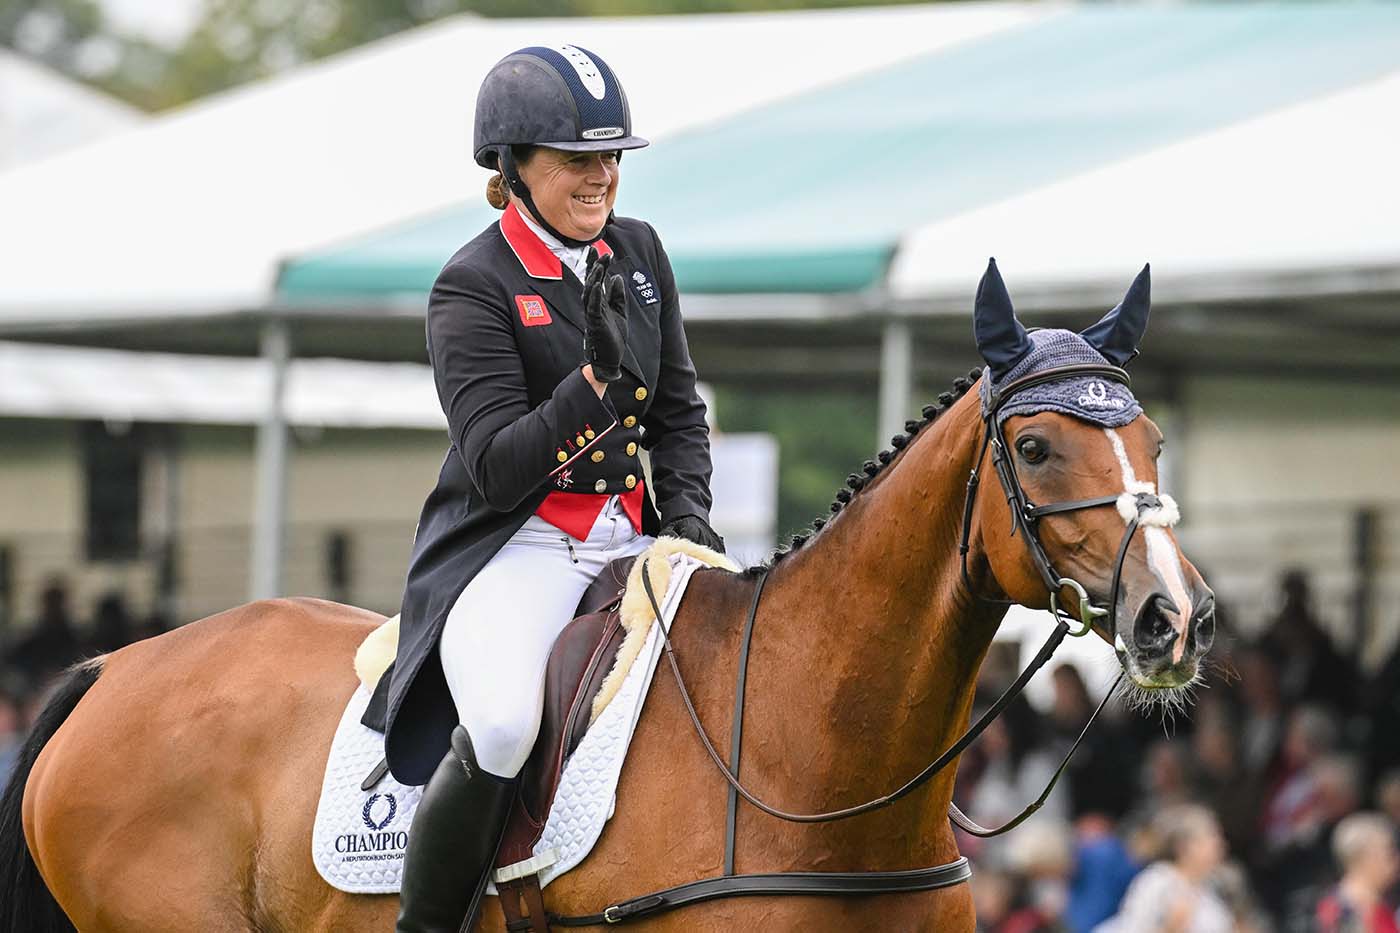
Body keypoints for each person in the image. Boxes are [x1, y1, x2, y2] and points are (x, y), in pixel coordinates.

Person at [381, 45, 723, 933]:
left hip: (632, 535)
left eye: (611, 158)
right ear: (512, 167)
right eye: (577, 159)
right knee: (499, 727)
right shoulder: (472, 284)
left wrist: (687, 516)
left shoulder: (640, 251)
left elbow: (680, 408)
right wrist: (591, 384)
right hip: (518, 544)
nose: (601, 176)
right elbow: (495, 464)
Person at [1097, 804, 1233, 933]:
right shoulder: (1156, 881)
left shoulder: (1213, 885)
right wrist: (1169, 930)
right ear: (1184, 846)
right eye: (1211, 837)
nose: (1219, 843)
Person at [1315, 812, 1400, 933]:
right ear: (1366, 858)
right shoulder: (1342, 911)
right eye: (1389, 852)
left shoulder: (1378, 903)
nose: (1397, 859)